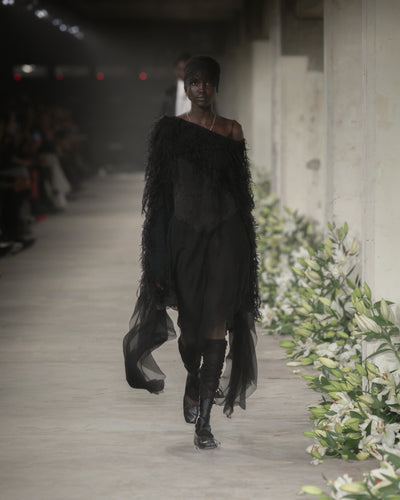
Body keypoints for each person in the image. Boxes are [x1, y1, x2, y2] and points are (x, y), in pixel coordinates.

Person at [123, 56, 259, 450]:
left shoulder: (231, 130)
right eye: (195, 82)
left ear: (217, 86)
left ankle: (204, 422)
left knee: (217, 322)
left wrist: (247, 254)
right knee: (190, 333)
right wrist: (156, 256)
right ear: (186, 86)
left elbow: (242, 195)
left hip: (226, 238)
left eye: (208, 82)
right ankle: (195, 377)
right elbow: (159, 199)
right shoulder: (170, 131)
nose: (201, 89)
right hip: (183, 238)